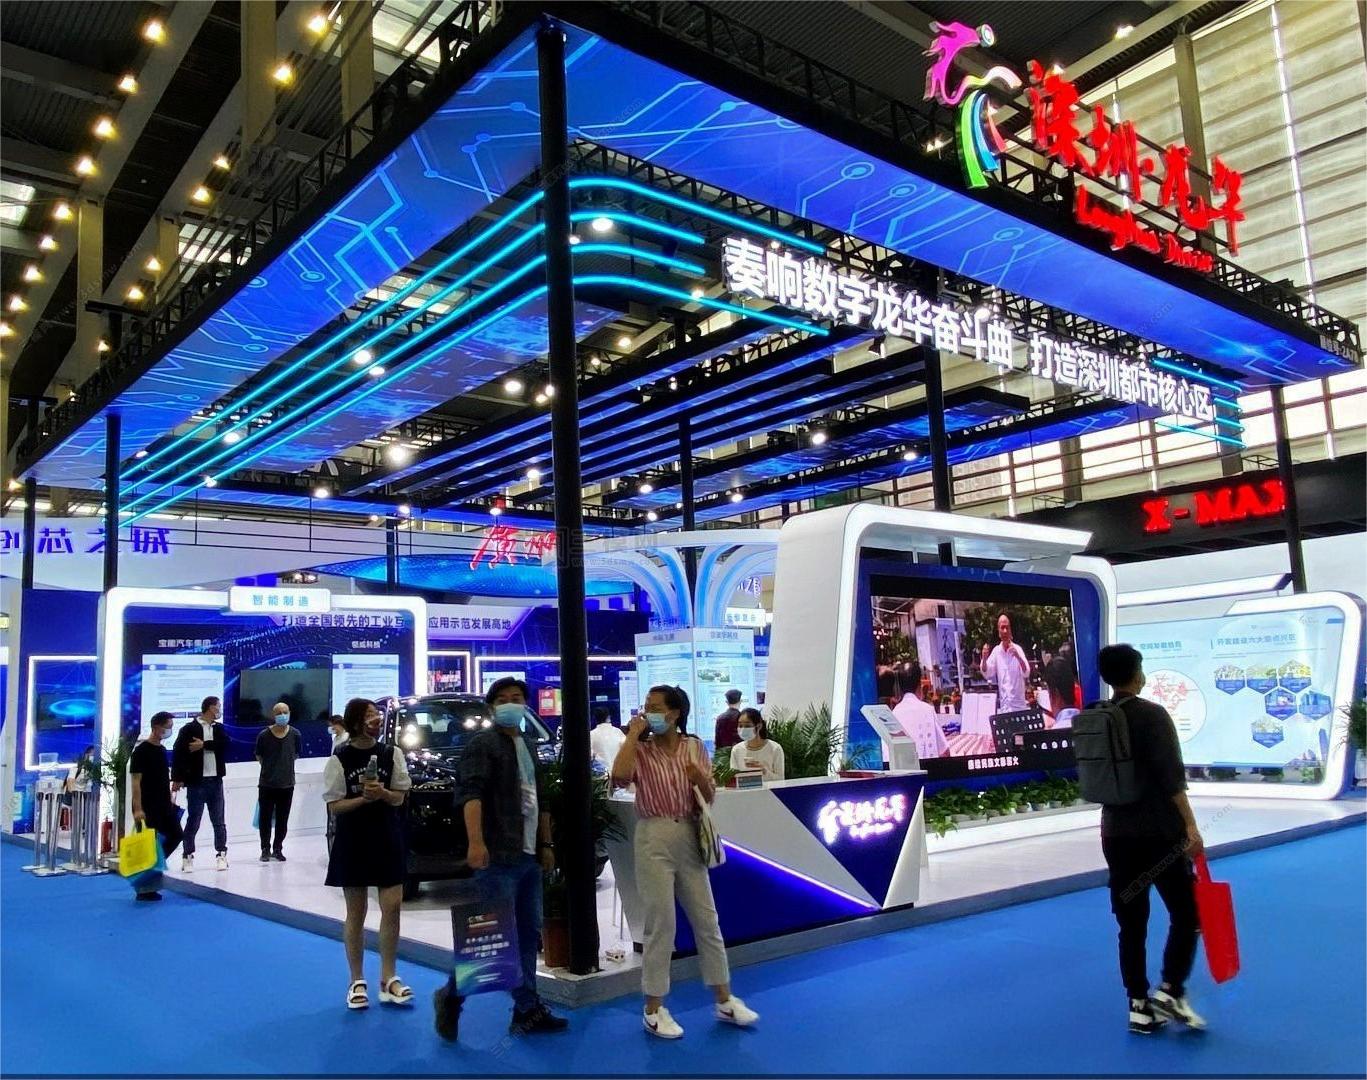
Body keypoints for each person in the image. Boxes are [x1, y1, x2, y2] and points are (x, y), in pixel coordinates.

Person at [611, 684, 758, 1040]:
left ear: (675, 713)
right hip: (653, 834)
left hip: (690, 833)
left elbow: (709, 795)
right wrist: (632, 736)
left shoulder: (694, 746)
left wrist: (699, 779)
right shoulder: (640, 749)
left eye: (656, 707)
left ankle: (724, 999)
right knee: (661, 924)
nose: (649, 712)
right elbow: (619, 776)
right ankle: (653, 1008)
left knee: (707, 920)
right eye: (647, 706)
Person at [434, 677, 567, 1042]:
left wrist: (546, 843)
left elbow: (539, 798)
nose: (511, 704)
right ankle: (451, 996)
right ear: (492, 707)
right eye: (504, 699)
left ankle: (527, 1008)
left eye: (517, 698)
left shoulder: (528, 744)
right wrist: (476, 843)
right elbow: (470, 795)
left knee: (528, 933)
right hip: (498, 854)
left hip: (528, 854)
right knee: (489, 937)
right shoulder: (483, 745)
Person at [1096, 644, 1206, 1035]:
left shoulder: (1096, 718)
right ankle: (1171, 988)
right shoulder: (1153, 715)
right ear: (1136, 673)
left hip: (1115, 833)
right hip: (1159, 833)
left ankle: (1138, 1005)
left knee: (1131, 924)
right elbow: (1172, 778)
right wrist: (1191, 827)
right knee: (1187, 913)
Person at [322, 697, 414, 1011]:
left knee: (393, 906)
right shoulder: (339, 758)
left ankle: (388, 978)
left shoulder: (391, 753)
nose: (375, 720)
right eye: (369, 715)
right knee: (356, 911)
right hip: (353, 839)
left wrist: (383, 793)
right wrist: (363, 798)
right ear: (355, 721)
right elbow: (335, 806)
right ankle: (356, 980)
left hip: (387, 836)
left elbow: (399, 797)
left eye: (377, 714)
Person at [129, 712, 183, 902]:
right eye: (168, 726)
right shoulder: (141, 751)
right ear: (157, 727)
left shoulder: (161, 750)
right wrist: (137, 808)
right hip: (148, 805)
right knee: (148, 845)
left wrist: (170, 798)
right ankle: (144, 888)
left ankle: (153, 868)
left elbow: (163, 777)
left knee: (176, 834)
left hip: (164, 804)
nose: (169, 730)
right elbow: (136, 782)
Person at [172, 696, 230, 872]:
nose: (219, 709)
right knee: (193, 820)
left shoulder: (219, 728)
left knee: (218, 821)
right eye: (218, 706)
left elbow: (225, 745)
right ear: (211, 708)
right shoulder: (189, 729)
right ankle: (187, 855)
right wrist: (177, 778)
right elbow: (179, 754)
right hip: (196, 782)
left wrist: (204, 745)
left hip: (215, 780)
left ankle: (221, 854)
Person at [255, 702, 302, 862]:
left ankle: (278, 848)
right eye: (279, 712)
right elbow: (259, 755)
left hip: (287, 784)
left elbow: (296, 754)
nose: (282, 715)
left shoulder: (295, 734)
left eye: (285, 712)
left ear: (289, 713)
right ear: (273, 715)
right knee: (265, 819)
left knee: (283, 819)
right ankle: (265, 849)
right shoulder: (264, 735)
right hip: (267, 784)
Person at [980, 613, 1029, 713]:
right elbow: (987, 673)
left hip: (1019, 707)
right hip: (1005, 708)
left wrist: (1018, 657)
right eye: (1002, 628)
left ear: (1010, 630)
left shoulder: (1018, 649)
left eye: (1007, 627)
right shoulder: (996, 651)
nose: (1005, 631)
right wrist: (984, 658)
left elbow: (1026, 672)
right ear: (999, 631)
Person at [728, 707, 785, 782]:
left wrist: (764, 771)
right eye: (740, 726)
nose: (743, 729)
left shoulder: (775, 748)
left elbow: (780, 779)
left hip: (769, 789)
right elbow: (734, 779)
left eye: (747, 726)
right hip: (745, 789)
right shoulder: (737, 750)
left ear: (759, 726)